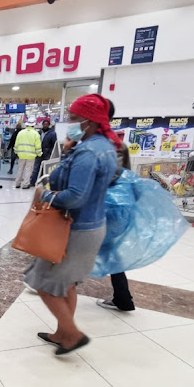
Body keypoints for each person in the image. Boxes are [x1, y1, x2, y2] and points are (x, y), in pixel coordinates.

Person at [27, 94, 119, 355]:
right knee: (66, 284)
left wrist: (43, 195)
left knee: (43, 282)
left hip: (74, 230)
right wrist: (69, 152)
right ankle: (62, 332)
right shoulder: (103, 146)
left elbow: (75, 196)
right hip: (90, 227)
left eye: (74, 119)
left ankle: (72, 335)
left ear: (89, 122)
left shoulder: (88, 152)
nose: (70, 123)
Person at [98, 130, 136, 312]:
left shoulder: (110, 149)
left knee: (78, 247)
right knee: (109, 252)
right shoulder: (120, 148)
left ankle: (55, 289)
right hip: (119, 208)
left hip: (108, 207)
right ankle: (123, 298)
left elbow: (109, 176)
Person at [14, 119, 42, 189]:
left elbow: (16, 144)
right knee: (28, 170)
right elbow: (38, 146)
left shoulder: (20, 133)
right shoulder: (36, 134)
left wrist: (16, 152)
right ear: (33, 125)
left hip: (21, 155)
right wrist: (39, 154)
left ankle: (17, 183)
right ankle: (26, 184)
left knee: (20, 169)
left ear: (26, 125)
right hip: (31, 156)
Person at [29, 118, 57, 187]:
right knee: (36, 168)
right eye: (44, 124)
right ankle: (33, 182)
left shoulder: (52, 134)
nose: (45, 125)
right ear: (42, 125)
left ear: (49, 125)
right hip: (38, 153)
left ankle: (45, 183)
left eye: (47, 124)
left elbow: (54, 144)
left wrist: (51, 153)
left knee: (45, 169)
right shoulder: (38, 133)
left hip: (47, 154)